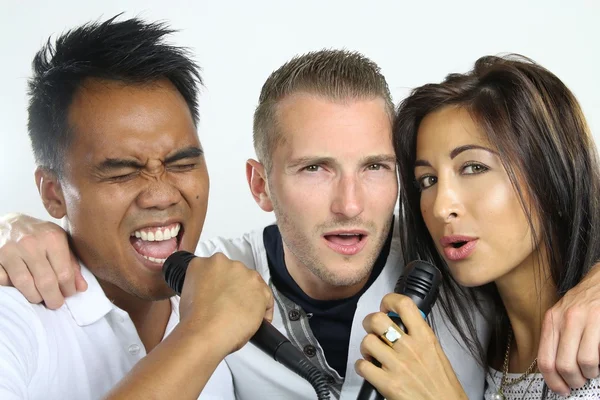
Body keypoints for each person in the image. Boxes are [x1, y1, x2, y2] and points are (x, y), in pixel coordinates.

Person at [3, 48, 600, 398]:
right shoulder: (204, 279)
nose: (349, 203)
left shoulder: (459, 267)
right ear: (260, 184)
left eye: (375, 168)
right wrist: (27, 232)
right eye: (315, 168)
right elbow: (129, 244)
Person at [0, 15, 274, 400]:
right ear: (52, 192)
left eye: (181, 164)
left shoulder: (227, 285)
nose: (161, 195)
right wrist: (205, 333)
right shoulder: (13, 320)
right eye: (123, 172)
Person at [356, 55, 600, 399]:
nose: (441, 207)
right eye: (427, 180)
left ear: (550, 171)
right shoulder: (484, 342)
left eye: (472, 168)